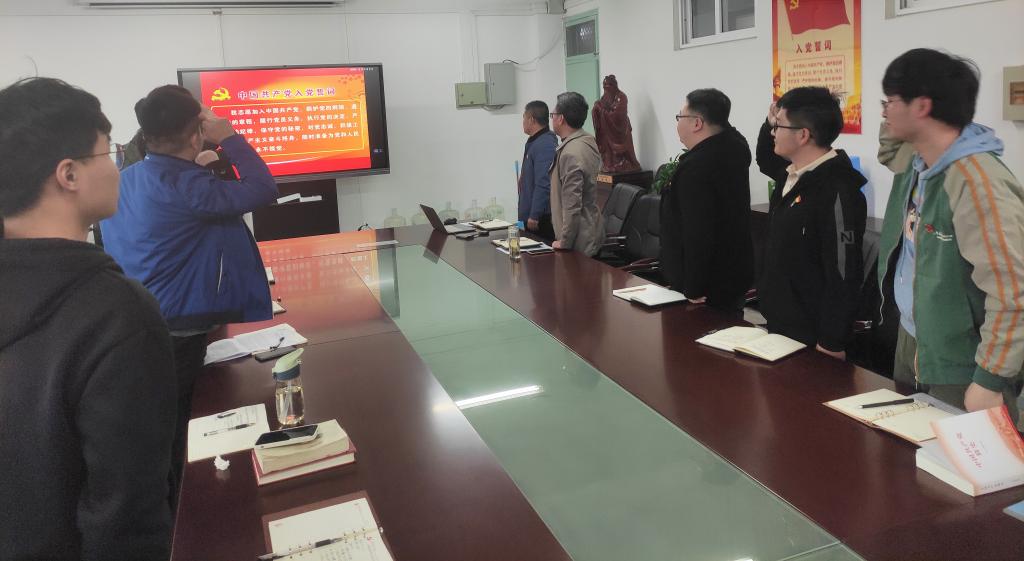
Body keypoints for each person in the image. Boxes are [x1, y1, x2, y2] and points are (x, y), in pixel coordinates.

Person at [0, 77, 176, 560]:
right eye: (108, 153)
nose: (118, 167)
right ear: (69, 175)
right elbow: (127, 514)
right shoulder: (117, 314)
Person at [101, 85, 279, 494]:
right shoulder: (189, 186)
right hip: (182, 326)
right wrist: (229, 136)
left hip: (141, 318)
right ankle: (193, 505)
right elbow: (263, 188)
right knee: (187, 426)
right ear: (196, 134)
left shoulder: (127, 178)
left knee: (165, 423)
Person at [877, 48, 1024, 419]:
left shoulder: (976, 182)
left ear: (922, 106)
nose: (884, 111)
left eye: (891, 101)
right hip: (914, 339)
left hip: (965, 365)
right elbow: (888, 151)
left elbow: (1013, 291)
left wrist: (989, 379)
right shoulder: (917, 162)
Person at [755, 86, 867, 359]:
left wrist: (831, 342)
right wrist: (770, 120)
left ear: (803, 135)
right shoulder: (792, 174)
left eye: (778, 126)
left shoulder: (837, 188)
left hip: (814, 335)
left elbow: (843, 273)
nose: (773, 132)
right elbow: (765, 157)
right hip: (781, 323)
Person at [660, 88, 753, 312]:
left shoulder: (697, 167)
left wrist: (693, 287)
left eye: (680, 116)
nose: (677, 123)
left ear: (697, 123)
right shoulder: (734, 147)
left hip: (704, 286)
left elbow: (698, 231)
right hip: (731, 273)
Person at [549, 91, 605, 255]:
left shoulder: (571, 153)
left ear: (561, 118)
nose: (552, 119)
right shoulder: (586, 141)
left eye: (553, 115)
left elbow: (572, 204)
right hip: (590, 230)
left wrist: (565, 241)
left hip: (579, 241)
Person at [518, 100, 557, 241]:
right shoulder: (535, 141)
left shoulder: (545, 144)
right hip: (529, 215)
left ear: (532, 120)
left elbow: (544, 182)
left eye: (524, 117)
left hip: (540, 219)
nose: (522, 122)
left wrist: (535, 214)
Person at [591, 74, 641, 173]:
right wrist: (596, 108)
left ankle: (627, 163)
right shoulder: (605, 97)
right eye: (604, 85)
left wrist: (601, 110)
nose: (606, 88)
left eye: (608, 85)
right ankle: (609, 164)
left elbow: (617, 114)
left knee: (627, 153)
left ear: (614, 85)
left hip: (622, 129)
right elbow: (601, 107)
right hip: (606, 128)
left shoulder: (622, 97)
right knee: (606, 146)